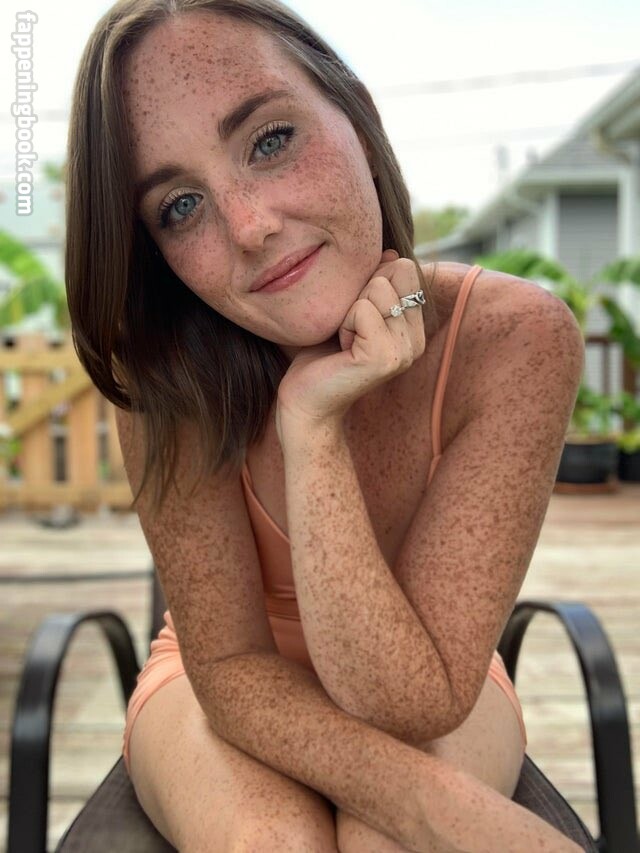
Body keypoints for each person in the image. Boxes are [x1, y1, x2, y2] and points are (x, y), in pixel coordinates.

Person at [65, 1, 585, 850]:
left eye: (270, 140)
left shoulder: (513, 338)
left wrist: (316, 438)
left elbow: (410, 698)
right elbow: (228, 665)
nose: (251, 227)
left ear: (358, 116)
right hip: (218, 680)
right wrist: (308, 422)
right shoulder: (169, 372)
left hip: (437, 672)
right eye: (181, 206)